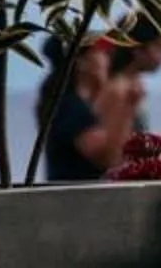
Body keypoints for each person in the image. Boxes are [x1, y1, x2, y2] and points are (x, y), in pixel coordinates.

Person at [32, 30, 147, 182]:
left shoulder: (77, 104)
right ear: (81, 62)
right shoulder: (69, 108)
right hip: (75, 200)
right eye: (102, 53)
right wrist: (126, 106)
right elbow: (107, 158)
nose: (108, 59)